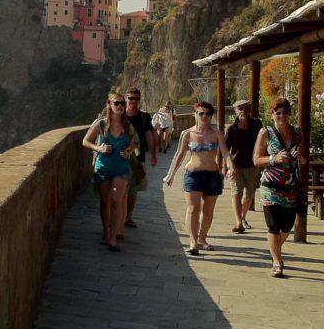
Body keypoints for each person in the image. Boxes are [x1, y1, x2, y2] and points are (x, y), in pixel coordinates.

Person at [164, 101, 232, 255]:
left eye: (208, 114)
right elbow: (179, 155)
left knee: (208, 211)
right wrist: (171, 174)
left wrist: (231, 167)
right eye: (201, 113)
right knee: (193, 208)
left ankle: (202, 238)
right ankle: (193, 242)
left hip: (212, 175)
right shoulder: (187, 134)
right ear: (195, 114)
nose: (205, 116)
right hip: (193, 174)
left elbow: (225, 153)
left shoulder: (217, 134)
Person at [253, 97, 306, 278]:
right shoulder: (265, 132)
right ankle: (277, 261)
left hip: (290, 187)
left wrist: (300, 156)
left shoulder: (297, 133)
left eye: (285, 112)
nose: (281, 116)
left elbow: (306, 159)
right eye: (278, 112)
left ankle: (274, 250)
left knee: (286, 227)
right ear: (272, 114)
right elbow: (256, 160)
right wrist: (274, 159)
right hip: (270, 186)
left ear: (290, 114)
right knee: (273, 226)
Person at [82, 92, 139, 252]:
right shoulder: (101, 124)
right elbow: (85, 141)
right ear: (110, 105)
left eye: (122, 103)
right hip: (103, 168)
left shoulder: (128, 126)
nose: (120, 106)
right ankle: (106, 233)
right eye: (117, 103)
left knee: (116, 201)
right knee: (105, 202)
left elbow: (135, 143)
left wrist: (129, 150)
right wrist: (99, 148)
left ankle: (113, 239)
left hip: (121, 169)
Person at [225, 99, 263, 233]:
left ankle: (243, 216)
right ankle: (238, 222)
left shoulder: (257, 125)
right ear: (235, 111)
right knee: (236, 193)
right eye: (240, 108)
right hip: (236, 166)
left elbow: (263, 142)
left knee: (249, 195)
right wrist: (228, 167)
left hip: (252, 165)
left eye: (246, 108)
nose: (243, 111)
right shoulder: (231, 129)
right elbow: (225, 149)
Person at [124, 87, 157, 228]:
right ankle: (119, 216)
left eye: (136, 98)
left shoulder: (145, 117)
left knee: (133, 188)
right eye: (130, 98)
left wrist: (153, 155)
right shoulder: (119, 114)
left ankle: (128, 217)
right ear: (125, 98)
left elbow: (150, 135)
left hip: (138, 157)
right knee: (120, 187)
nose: (133, 101)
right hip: (118, 156)